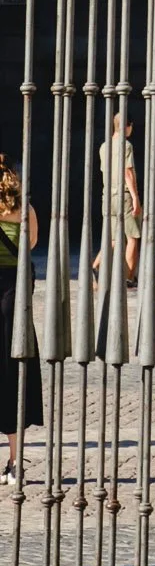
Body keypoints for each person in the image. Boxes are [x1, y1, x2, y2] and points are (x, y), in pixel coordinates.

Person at [0, 153, 41, 474]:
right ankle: (15, 463)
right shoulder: (25, 210)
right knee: (15, 369)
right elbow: (32, 244)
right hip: (15, 291)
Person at [95, 116, 142, 284]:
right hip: (124, 195)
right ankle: (129, 277)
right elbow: (127, 172)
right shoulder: (126, 146)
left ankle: (96, 266)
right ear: (127, 127)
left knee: (114, 239)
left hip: (108, 195)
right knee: (132, 238)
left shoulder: (104, 146)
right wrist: (136, 198)